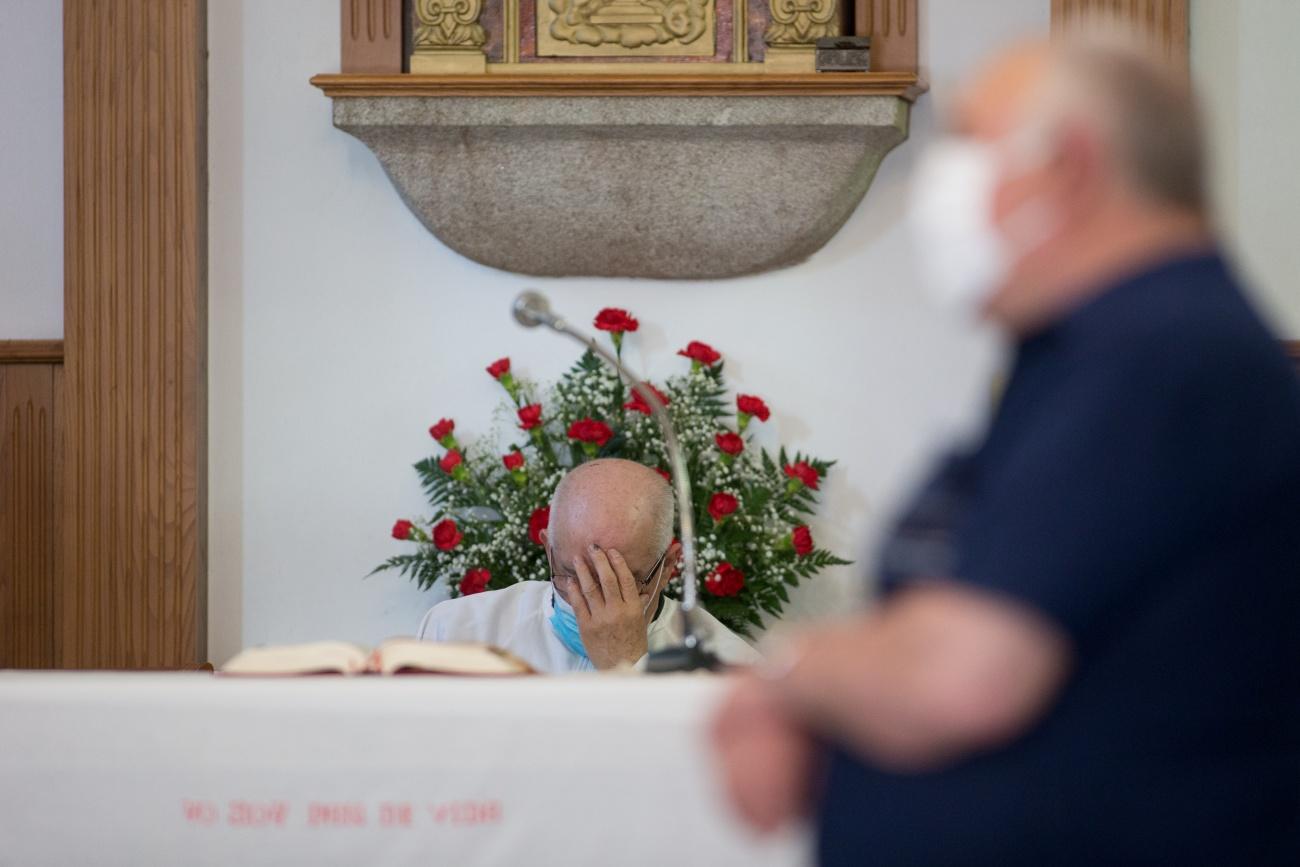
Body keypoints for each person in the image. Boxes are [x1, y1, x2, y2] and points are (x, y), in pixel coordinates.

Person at [711, 35, 1300, 866]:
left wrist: (790, 672)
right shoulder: (1085, 352)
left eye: (972, 143)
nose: (941, 186)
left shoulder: (1161, 355)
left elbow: (962, 676)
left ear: (1073, 166)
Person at [417, 458, 760, 673]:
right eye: (572, 574)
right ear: (548, 550)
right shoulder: (456, 630)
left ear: (669, 566)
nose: (595, 599)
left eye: (626, 580)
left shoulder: (727, 669)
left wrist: (628, 667)